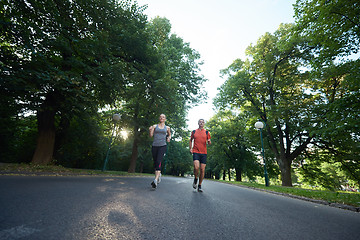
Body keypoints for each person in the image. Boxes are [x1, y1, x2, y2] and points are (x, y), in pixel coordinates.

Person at [149, 114, 171, 189]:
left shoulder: (167, 128)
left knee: (158, 161)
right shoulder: (155, 126)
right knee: (155, 163)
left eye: (163, 117)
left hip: (162, 146)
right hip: (155, 146)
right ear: (159, 118)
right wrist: (150, 130)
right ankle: (158, 175)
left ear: (165, 119)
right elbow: (151, 135)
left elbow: (169, 135)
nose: (162, 118)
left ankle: (155, 180)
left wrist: (168, 138)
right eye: (160, 117)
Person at [189, 119, 211, 192]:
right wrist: (190, 148)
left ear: (204, 124)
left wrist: (209, 141)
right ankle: (195, 178)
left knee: (202, 169)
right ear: (198, 123)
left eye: (202, 122)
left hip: (204, 153)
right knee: (196, 167)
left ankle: (200, 185)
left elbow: (209, 142)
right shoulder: (194, 132)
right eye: (200, 122)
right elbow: (190, 140)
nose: (201, 123)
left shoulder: (207, 132)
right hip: (196, 152)